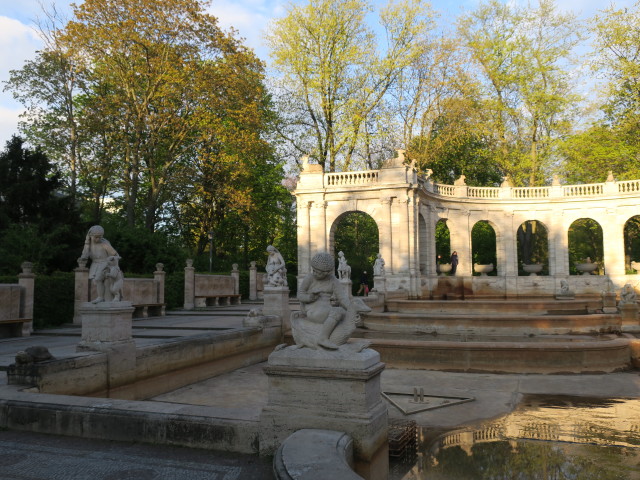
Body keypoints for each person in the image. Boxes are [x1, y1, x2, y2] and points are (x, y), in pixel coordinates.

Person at [297, 252, 351, 349]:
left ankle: (335, 340)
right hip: (313, 309)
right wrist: (310, 297)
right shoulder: (309, 278)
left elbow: (342, 298)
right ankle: (323, 338)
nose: (315, 273)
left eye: (318, 272)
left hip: (326, 309)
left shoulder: (333, 280)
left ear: (327, 272)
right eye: (314, 270)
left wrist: (352, 309)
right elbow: (300, 295)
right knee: (338, 311)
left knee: (346, 314)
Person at [80, 225, 119, 303]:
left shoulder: (104, 243)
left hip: (105, 263)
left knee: (98, 279)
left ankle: (101, 297)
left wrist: (113, 262)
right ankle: (102, 297)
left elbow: (115, 254)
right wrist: (86, 244)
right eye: (96, 237)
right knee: (96, 281)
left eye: (99, 237)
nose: (97, 239)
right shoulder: (88, 243)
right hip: (95, 264)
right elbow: (85, 254)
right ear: (90, 236)